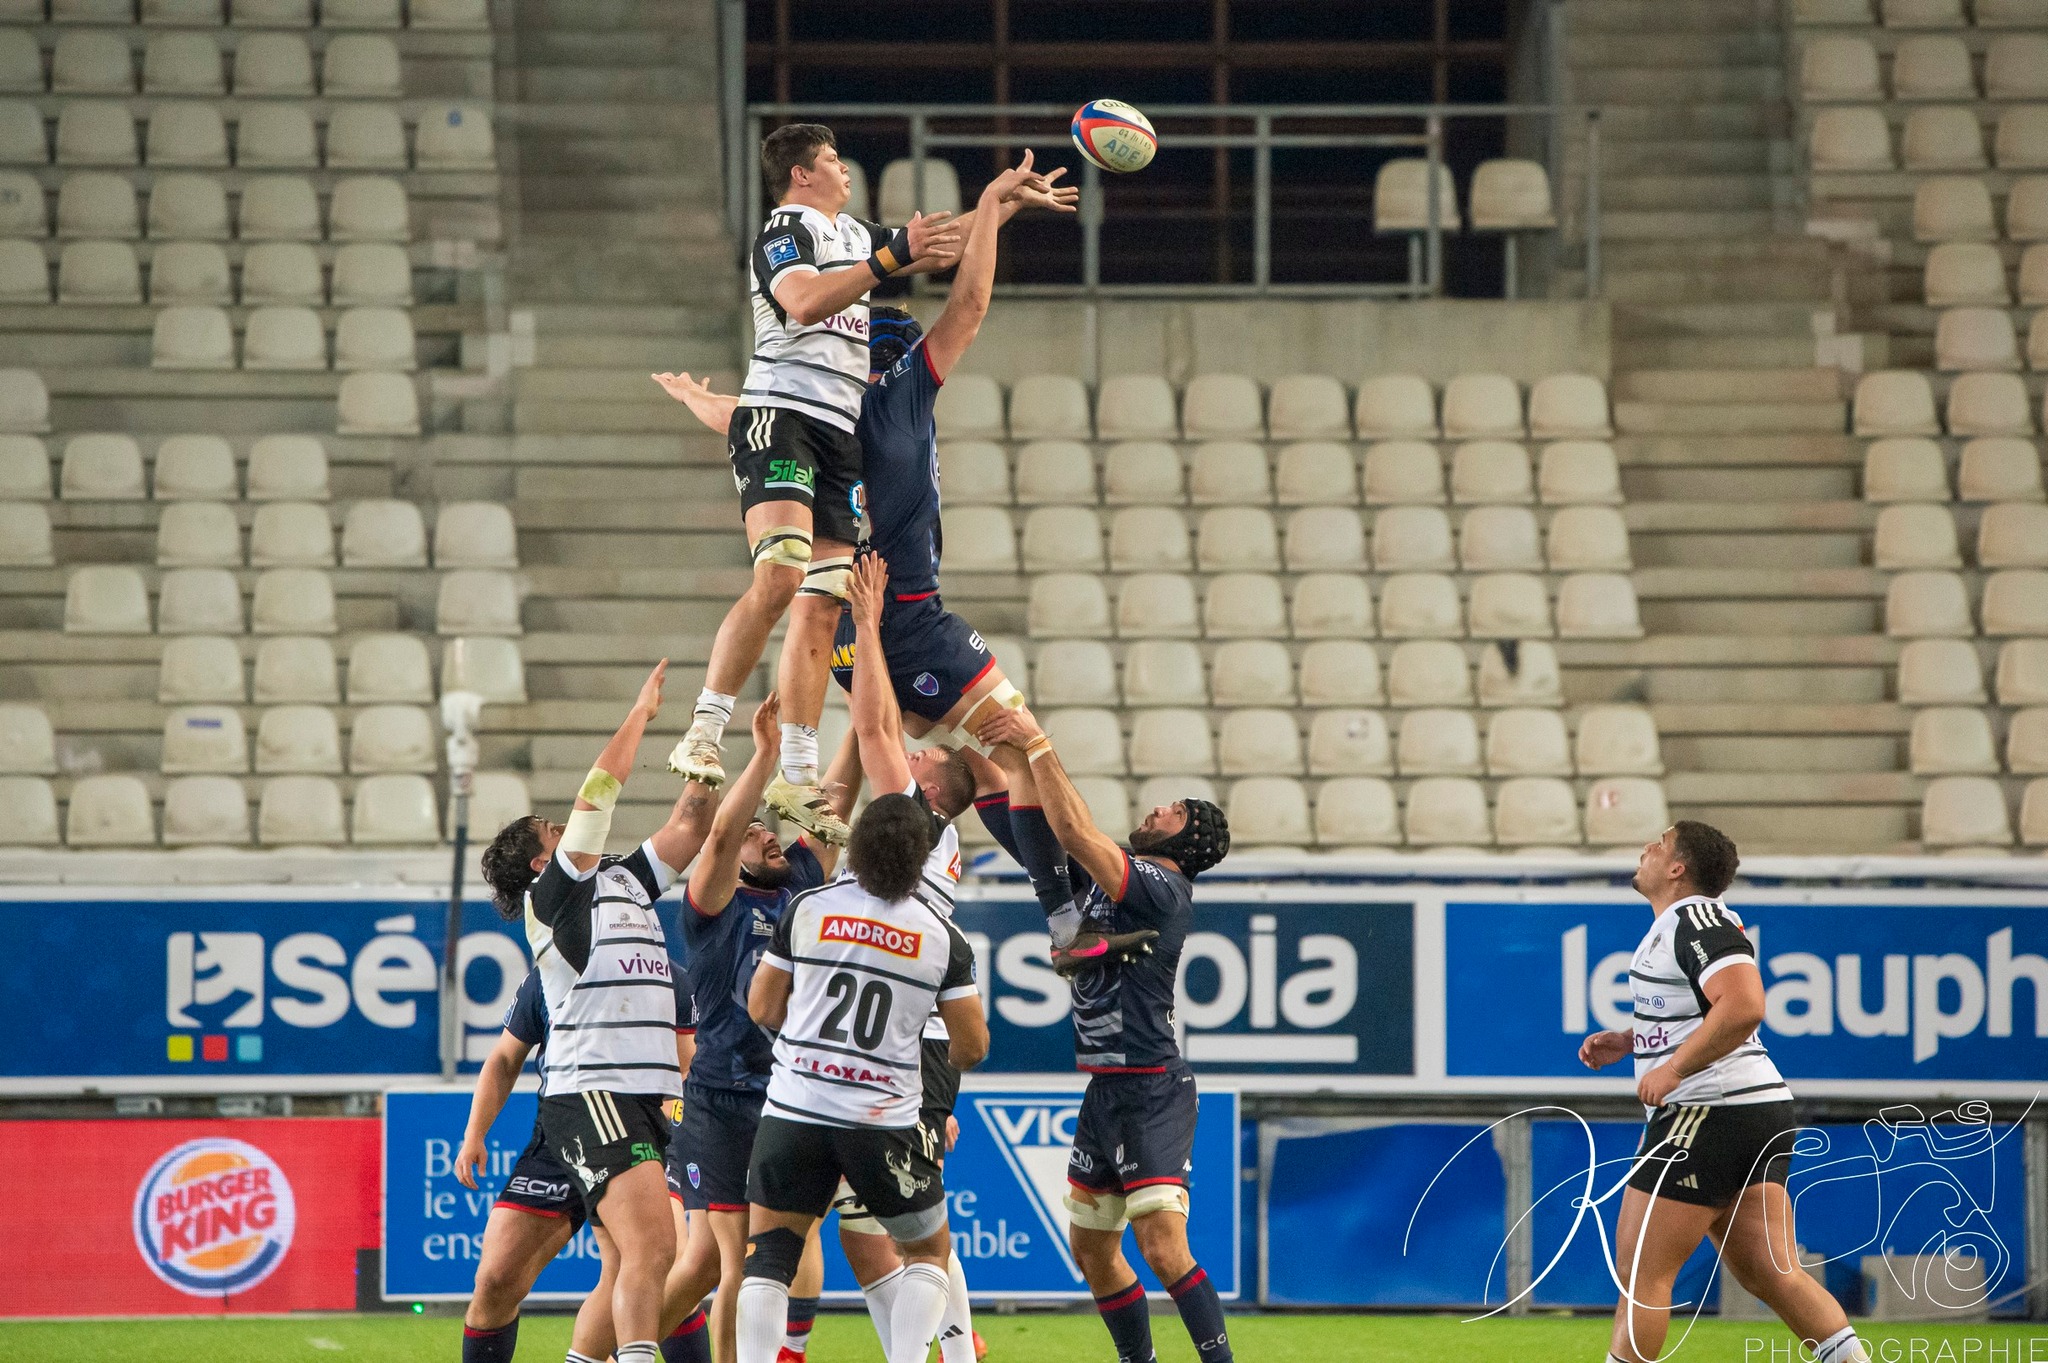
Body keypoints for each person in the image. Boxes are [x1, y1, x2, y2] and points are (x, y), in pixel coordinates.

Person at [662, 140, 1075, 840]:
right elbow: (813, 304)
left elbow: (934, 245)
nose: (845, 166)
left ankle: (800, 782)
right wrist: (928, 240)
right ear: (801, 173)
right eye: (831, 157)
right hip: (872, 552)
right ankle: (707, 731)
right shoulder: (794, 243)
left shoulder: (850, 265)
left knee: (827, 621)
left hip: (844, 516)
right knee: (785, 578)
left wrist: (996, 206)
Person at [975, 704, 1237, 1363]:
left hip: (1151, 1088)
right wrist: (988, 758)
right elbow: (1032, 831)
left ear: (1186, 842)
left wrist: (1036, 742)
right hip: (1108, 1088)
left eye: (1173, 812)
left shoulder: (1161, 887)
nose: (1157, 810)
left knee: (1162, 1248)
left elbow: (1070, 826)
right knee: (1091, 1249)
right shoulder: (1109, 886)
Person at [1577, 823, 1870, 1363]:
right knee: (1773, 1273)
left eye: (1660, 843)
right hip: (1750, 1110)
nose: (1646, 849)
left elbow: (1744, 1005)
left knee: (1643, 1274)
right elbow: (1706, 1010)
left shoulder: (1695, 918)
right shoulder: (1682, 924)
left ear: (1677, 868)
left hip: (1707, 1110)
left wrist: (1674, 1069)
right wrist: (1634, 1039)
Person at [476, 659, 699, 1363]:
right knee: (646, 1252)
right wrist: (640, 714)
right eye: (554, 830)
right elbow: (597, 794)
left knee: (642, 1257)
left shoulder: (624, 879)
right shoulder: (551, 903)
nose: (569, 830)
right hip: (593, 1091)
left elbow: (692, 822)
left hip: (641, 1097)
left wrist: (712, 732)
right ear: (541, 867)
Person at [736, 793, 991, 1363]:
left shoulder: (808, 907)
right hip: (882, 1120)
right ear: (920, 858)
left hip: (795, 1108)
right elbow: (971, 1047)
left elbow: (762, 1007)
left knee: (769, 1256)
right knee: (927, 1251)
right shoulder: (942, 938)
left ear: (856, 845)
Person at [660, 692, 853, 1363]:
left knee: (723, 1266)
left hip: (788, 1095)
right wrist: (766, 753)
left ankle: (616, 1349)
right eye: (756, 833)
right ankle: (617, 1349)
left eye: (769, 830)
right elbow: (719, 836)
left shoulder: (798, 887)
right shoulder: (713, 905)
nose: (768, 833)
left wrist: (863, 718)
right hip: (723, 1099)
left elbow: (835, 806)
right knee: (732, 1266)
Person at [453, 964, 705, 1363]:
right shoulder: (551, 974)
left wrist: (663, 1133)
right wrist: (474, 1134)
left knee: (659, 1264)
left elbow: (685, 1066)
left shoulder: (662, 973)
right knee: (495, 1280)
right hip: (562, 1136)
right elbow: (504, 1057)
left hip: (640, 1130)